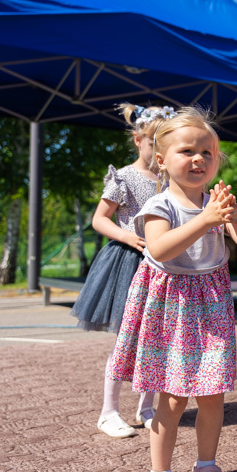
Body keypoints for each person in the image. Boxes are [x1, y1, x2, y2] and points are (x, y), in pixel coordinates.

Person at [107, 106, 237, 472]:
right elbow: (159, 248)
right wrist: (207, 217)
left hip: (210, 308)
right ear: (161, 159)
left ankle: (207, 467)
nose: (199, 159)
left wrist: (235, 213)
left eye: (208, 153)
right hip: (171, 309)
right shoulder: (160, 204)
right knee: (172, 398)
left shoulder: (217, 203)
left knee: (212, 395)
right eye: (187, 151)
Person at [71, 103, 172, 439]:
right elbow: (99, 218)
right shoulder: (125, 177)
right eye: (152, 143)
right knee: (126, 340)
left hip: (163, 264)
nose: (158, 150)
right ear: (137, 139)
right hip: (128, 262)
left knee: (158, 338)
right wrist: (128, 235)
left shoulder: (170, 179)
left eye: (165, 143)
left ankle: (146, 407)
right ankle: (108, 411)